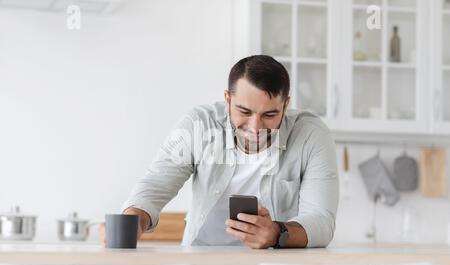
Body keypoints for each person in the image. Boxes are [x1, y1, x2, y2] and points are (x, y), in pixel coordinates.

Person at [100, 55, 339, 249]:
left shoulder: (312, 136)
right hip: (202, 257)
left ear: (286, 105)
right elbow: (156, 182)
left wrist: (277, 233)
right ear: (227, 100)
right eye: (244, 111)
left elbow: (321, 221)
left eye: (269, 115)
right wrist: (132, 220)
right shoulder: (198, 125)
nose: (255, 128)